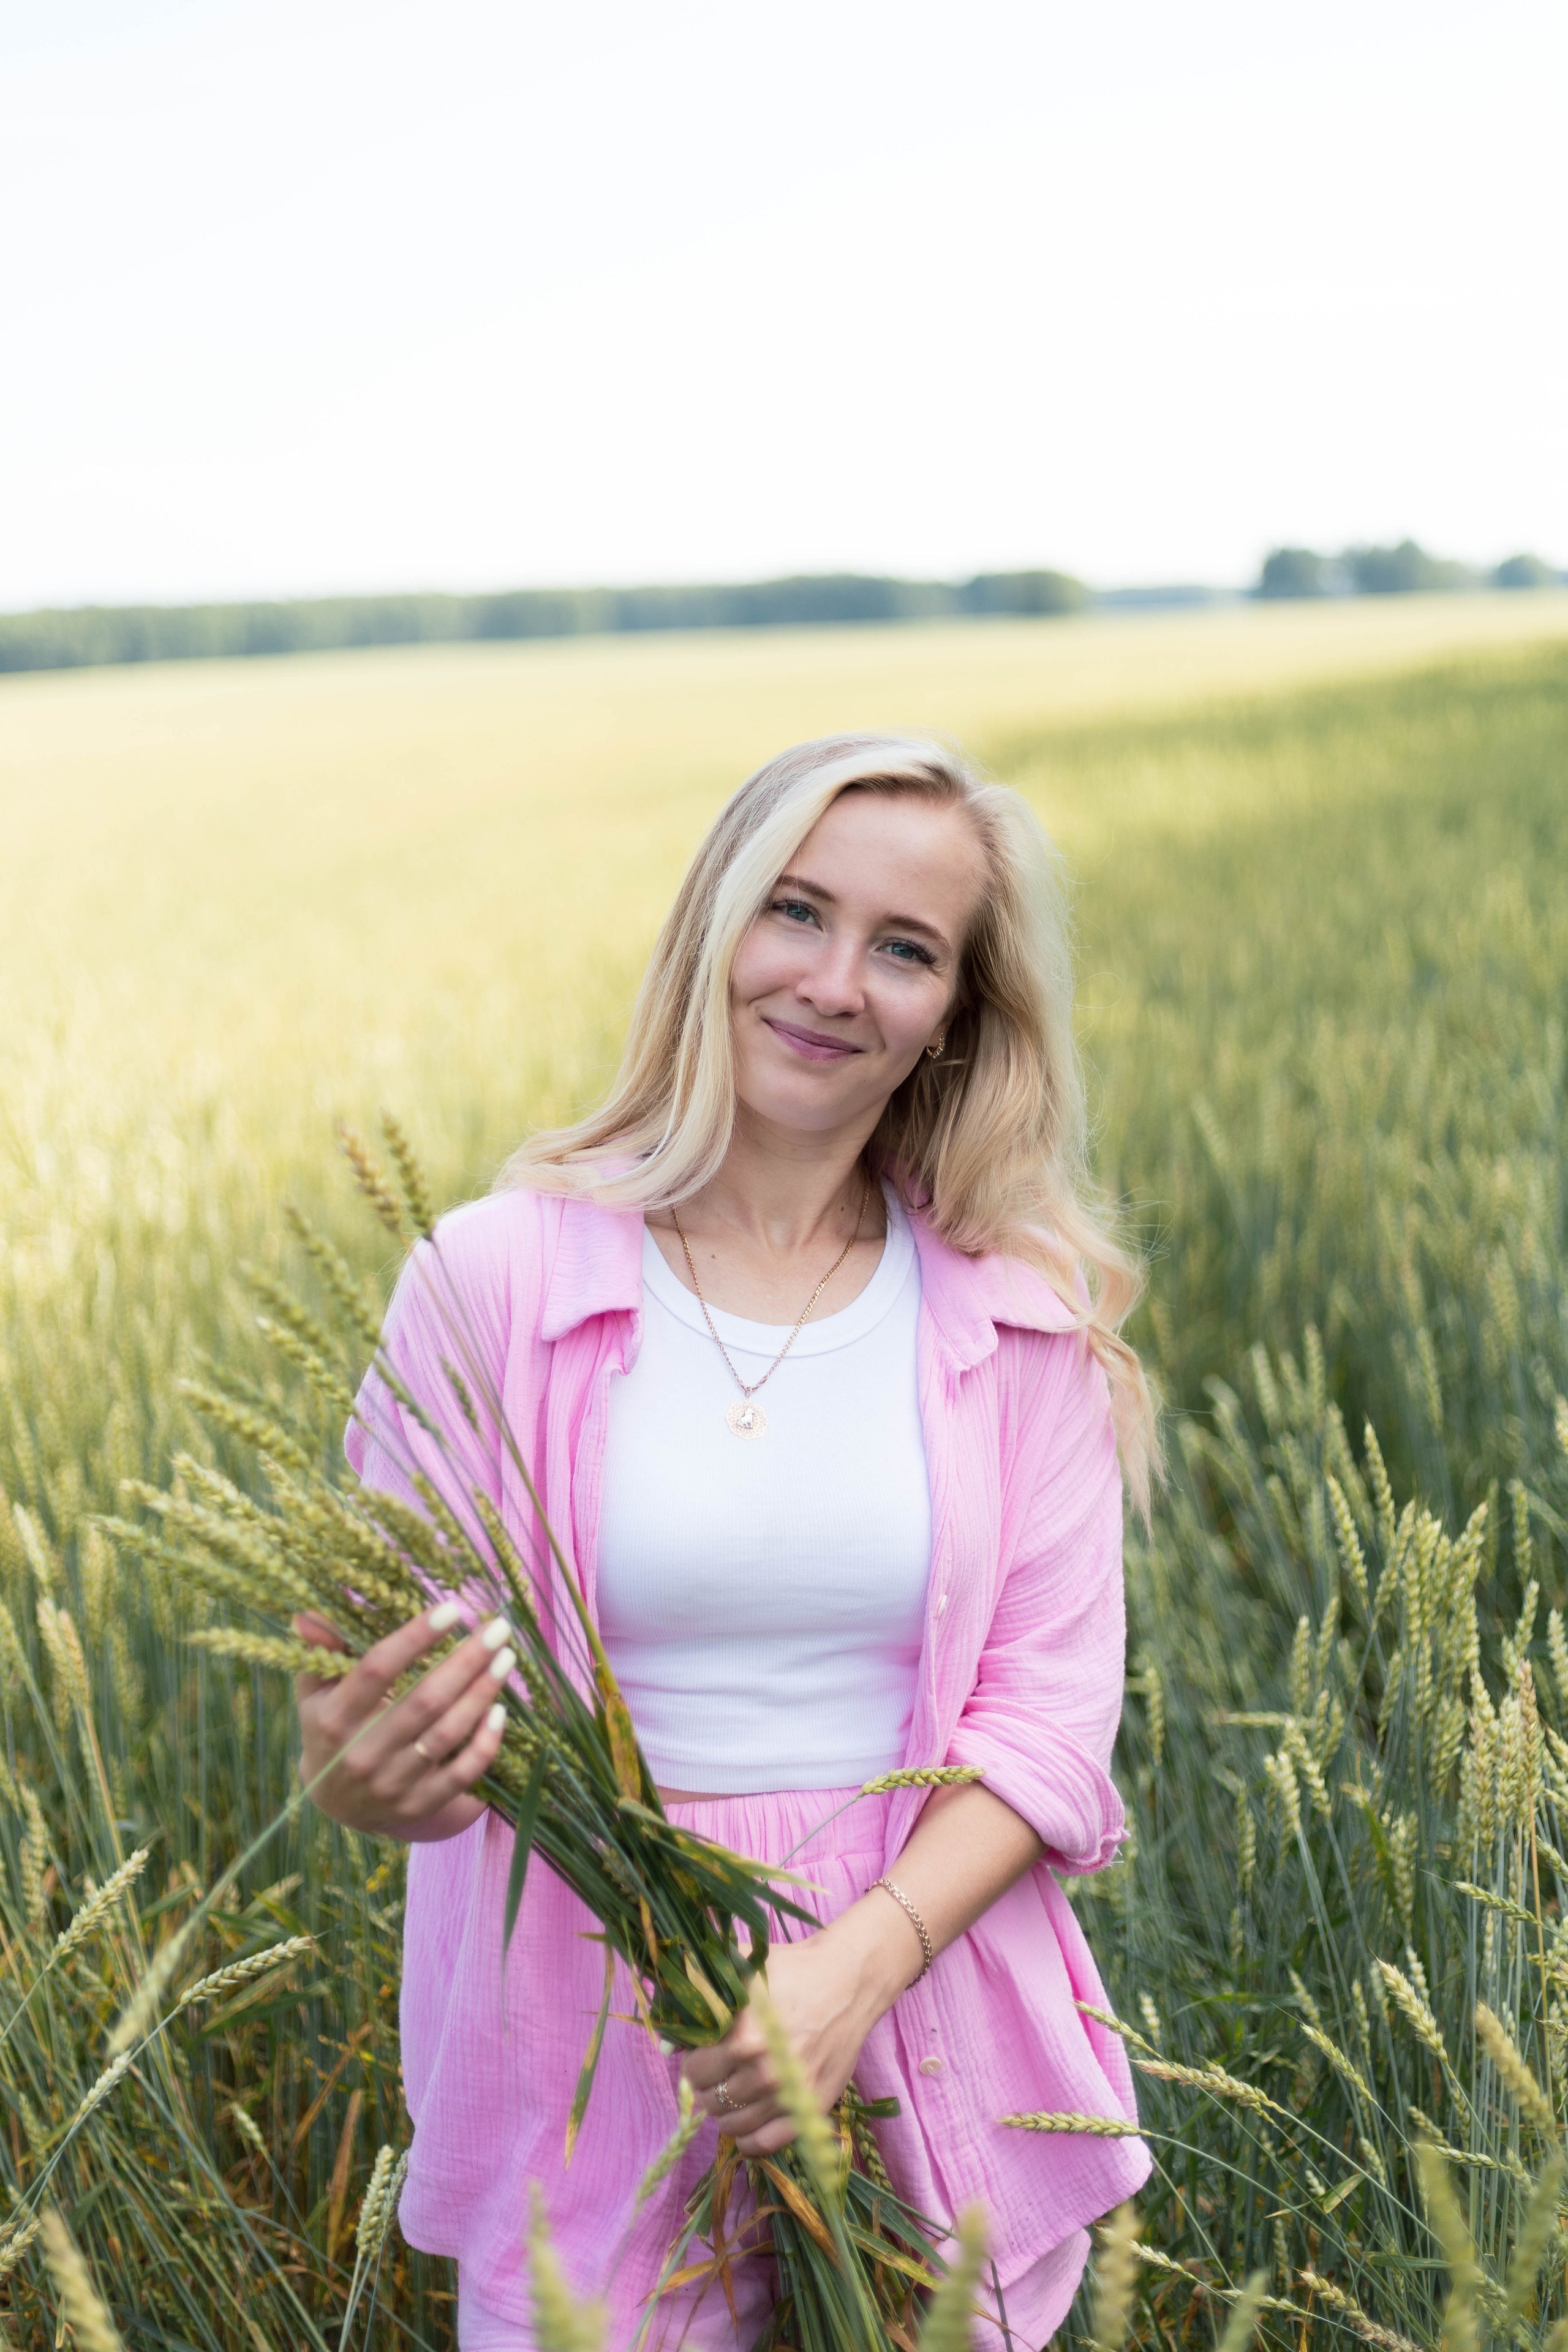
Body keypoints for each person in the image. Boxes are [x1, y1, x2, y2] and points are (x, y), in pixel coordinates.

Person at [295, 733, 1156, 2346]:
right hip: (588, 1989)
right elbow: (371, 1699)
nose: (836, 980)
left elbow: (1050, 1727)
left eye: (904, 950)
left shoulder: (1020, 1320)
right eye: (796, 913)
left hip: (922, 1993)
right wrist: (360, 1772)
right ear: (713, 931)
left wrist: (855, 1974)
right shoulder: (488, 1281)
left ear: (954, 1017)